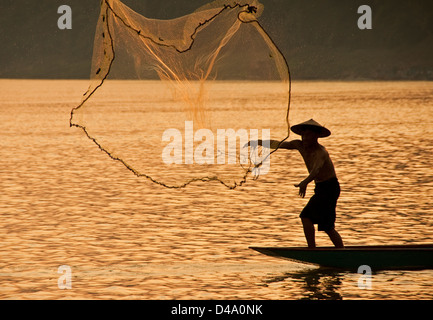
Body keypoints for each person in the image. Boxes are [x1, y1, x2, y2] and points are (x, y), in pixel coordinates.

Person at [248, 119, 344, 248]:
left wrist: (304, 182)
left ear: (316, 136)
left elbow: (316, 170)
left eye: (308, 135)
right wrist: (258, 142)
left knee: (307, 217)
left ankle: (313, 249)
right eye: (303, 135)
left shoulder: (321, 152)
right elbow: (279, 144)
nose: (304, 138)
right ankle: (339, 251)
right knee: (327, 226)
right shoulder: (299, 145)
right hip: (320, 187)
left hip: (330, 187)